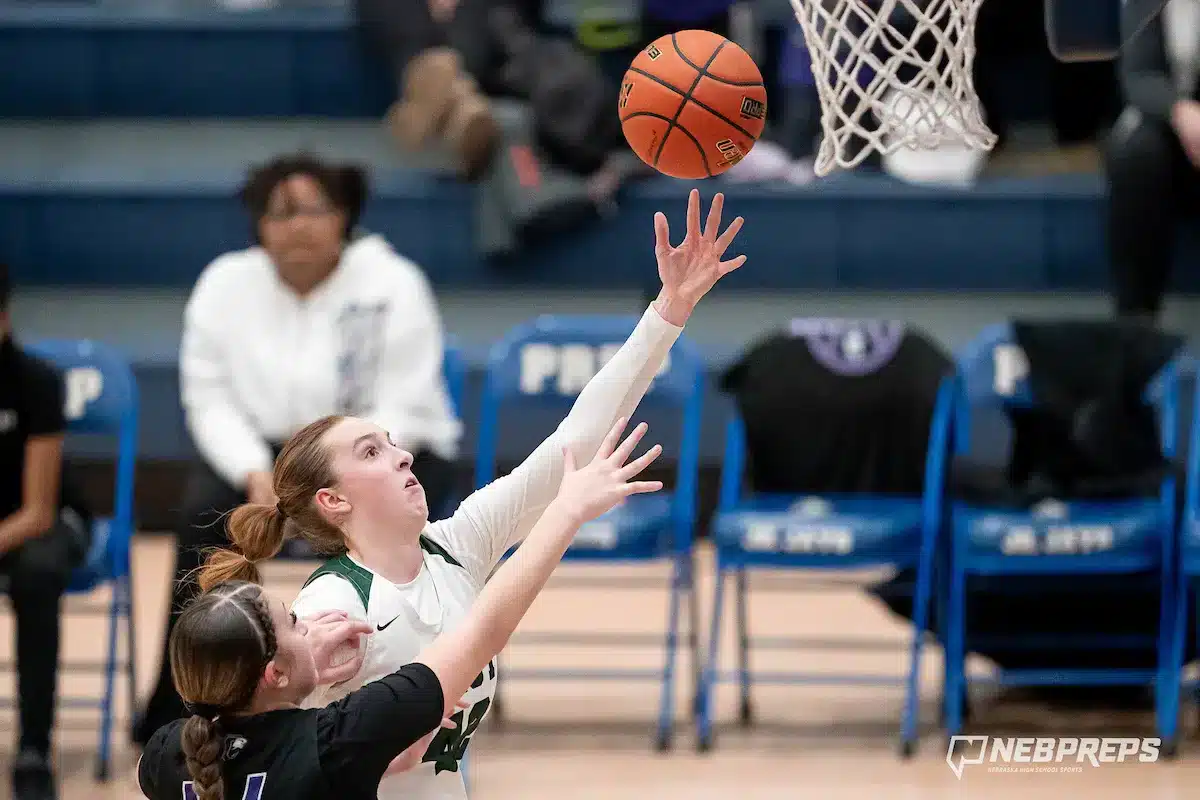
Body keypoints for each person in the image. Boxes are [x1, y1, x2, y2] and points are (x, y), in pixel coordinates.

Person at [201, 190, 742, 800]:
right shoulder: (331, 607)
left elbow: (573, 442)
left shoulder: (457, 545)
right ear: (334, 501)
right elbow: (295, 755)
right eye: (371, 453)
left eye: (392, 442)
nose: (403, 454)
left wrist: (667, 312)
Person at [136, 417, 665, 800]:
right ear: (272, 672)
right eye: (294, 622)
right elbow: (486, 628)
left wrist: (668, 311)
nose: (311, 623)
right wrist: (568, 512)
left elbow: (404, 756)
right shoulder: (329, 735)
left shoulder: (168, 755)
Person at [134, 153, 464, 746]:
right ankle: (191, 699)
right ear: (258, 224)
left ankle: (420, 690)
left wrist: (336, 471)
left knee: (410, 510)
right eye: (281, 212)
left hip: (378, 449)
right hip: (259, 458)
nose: (299, 225)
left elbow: (406, 402)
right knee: (199, 517)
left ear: (345, 217)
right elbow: (208, 401)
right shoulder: (223, 285)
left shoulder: (393, 283)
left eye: (315, 208)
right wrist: (256, 471)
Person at [0, 262, 92, 800]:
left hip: (45, 521)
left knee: (36, 573)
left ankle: (34, 747)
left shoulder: (34, 382)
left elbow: (36, 511)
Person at [1106, 0, 1200, 323]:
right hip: (1168, 126)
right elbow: (1138, 75)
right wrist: (1179, 110)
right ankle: (1137, 315)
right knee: (1135, 157)